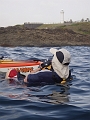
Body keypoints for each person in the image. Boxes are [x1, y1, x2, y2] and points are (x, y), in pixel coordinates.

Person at [5, 48, 71, 87]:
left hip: (27, 88)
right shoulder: (68, 74)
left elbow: (26, 79)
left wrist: (40, 67)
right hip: (51, 85)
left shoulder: (42, 75)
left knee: (11, 71)